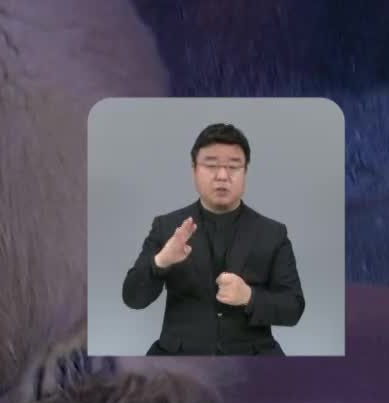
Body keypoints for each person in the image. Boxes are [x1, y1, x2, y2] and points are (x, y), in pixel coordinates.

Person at [121, 123, 305, 355]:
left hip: (254, 358)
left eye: (233, 166)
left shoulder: (273, 233)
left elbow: (294, 308)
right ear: (194, 170)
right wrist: (162, 261)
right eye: (211, 165)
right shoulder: (166, 227)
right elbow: (132, 298)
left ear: (246, 171)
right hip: (180, 358)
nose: (222, 176)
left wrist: (249, 297)